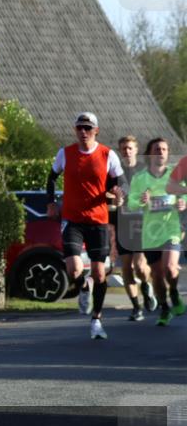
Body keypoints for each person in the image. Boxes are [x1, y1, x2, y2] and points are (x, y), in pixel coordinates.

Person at [46, 112, 126, 340]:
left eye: (88, 128)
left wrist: (119, 194)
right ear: (75, 130)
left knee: (100, 274)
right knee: (73, 269)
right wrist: (51, 203)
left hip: (98, 220)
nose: (83, 132)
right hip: (72, 219)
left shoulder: (107, 155)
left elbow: (119, 184)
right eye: (80, 128)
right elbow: (51, 178)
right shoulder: (65, 153)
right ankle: (82, 287)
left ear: (96, 130)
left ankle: (97, 320)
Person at [127, 138, 185, 325]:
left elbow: (184, 194)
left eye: (164, 149)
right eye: (157, 149)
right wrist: (142, 200)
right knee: (157, 276)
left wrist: (183, 202)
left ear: (168, 153)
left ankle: (174, 293)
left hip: (171, 229)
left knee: (169, 267)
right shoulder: (140, 179)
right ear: (150, 154)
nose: (161, 152)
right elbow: (131, 202)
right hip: (150, 234)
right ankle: (164, 308)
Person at [111, 135, 155, 321]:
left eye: (130, 148)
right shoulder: (115, 173)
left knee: (140, 266)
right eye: (123, 149)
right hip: (122, 226)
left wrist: (149, 199)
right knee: (127, 268)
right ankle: (136, 307)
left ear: (136, 150)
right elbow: (110, 202)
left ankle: (146, 286)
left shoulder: (145, 171)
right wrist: (115, 202)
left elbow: (156, 194)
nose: (127, 151)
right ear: (120, 151)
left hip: (141, 225)